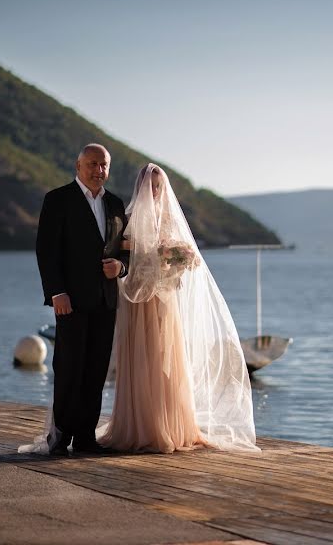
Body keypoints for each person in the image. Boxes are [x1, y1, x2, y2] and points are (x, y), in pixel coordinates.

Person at [96, 163, 259, 453]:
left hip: (164, 301)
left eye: (159, 185)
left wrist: (175, 265)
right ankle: (140, 425)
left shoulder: (171, 221)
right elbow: (125, 262)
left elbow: (185, 259)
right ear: (140, 187)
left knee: (166, 360)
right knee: (141, 360)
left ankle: (171, 424)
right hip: (137, 303)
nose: (155, 191)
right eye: (150, 185)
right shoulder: (129, 218)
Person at [21, 143, 129, 456]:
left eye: (104, 165)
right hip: (69, 299)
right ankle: (60, 437)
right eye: (93, 164)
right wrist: (57, 292)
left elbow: (125, 250)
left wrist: (120, 267)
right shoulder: (58, 199)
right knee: (68, 367)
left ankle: (85, 438)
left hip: (106, 300)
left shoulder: (116, 204)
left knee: (96, 370)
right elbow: (46, 250)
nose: (99, 171)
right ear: (78, 166)